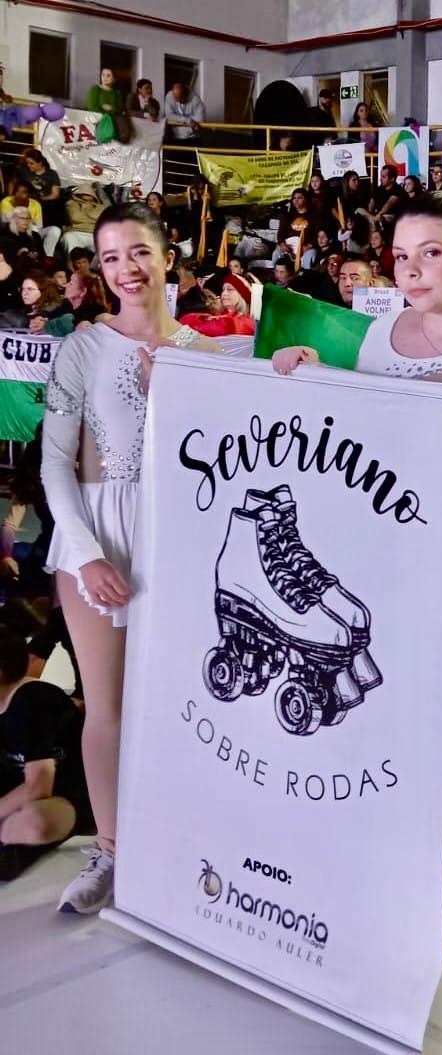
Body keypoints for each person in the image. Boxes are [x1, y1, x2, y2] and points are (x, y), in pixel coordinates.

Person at [271, 190, 442, 960]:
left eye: (431, 252)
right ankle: (369, 877)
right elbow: (359, 444)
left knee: (432, 743)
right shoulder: (381, 333)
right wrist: (313, 378)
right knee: (368, 729)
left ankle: (427, 904)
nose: (412, 269)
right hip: (378, 562)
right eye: (401, 255)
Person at [41, 203, 221, 914]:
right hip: (99, 535)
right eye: (112, 257)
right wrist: (86, 556)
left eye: (139, 251)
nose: (127, 269)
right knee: (107, 707)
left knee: (184, 703)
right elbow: (54, 464)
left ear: (167, 256)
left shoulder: (205, 351)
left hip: (178, 538)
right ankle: (112, 850)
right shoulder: (82, 349)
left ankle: (179, 841)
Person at [0, 630, 93, 881]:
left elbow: (38, 788)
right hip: (17, 799)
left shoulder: (34, 700)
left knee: (36, 822)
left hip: (65, 799)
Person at [179, 273, 256, 337]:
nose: (207, 303)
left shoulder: (232, 323)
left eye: (211, 298)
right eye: (205, 298)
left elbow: (181, 339)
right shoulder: (213, 317)